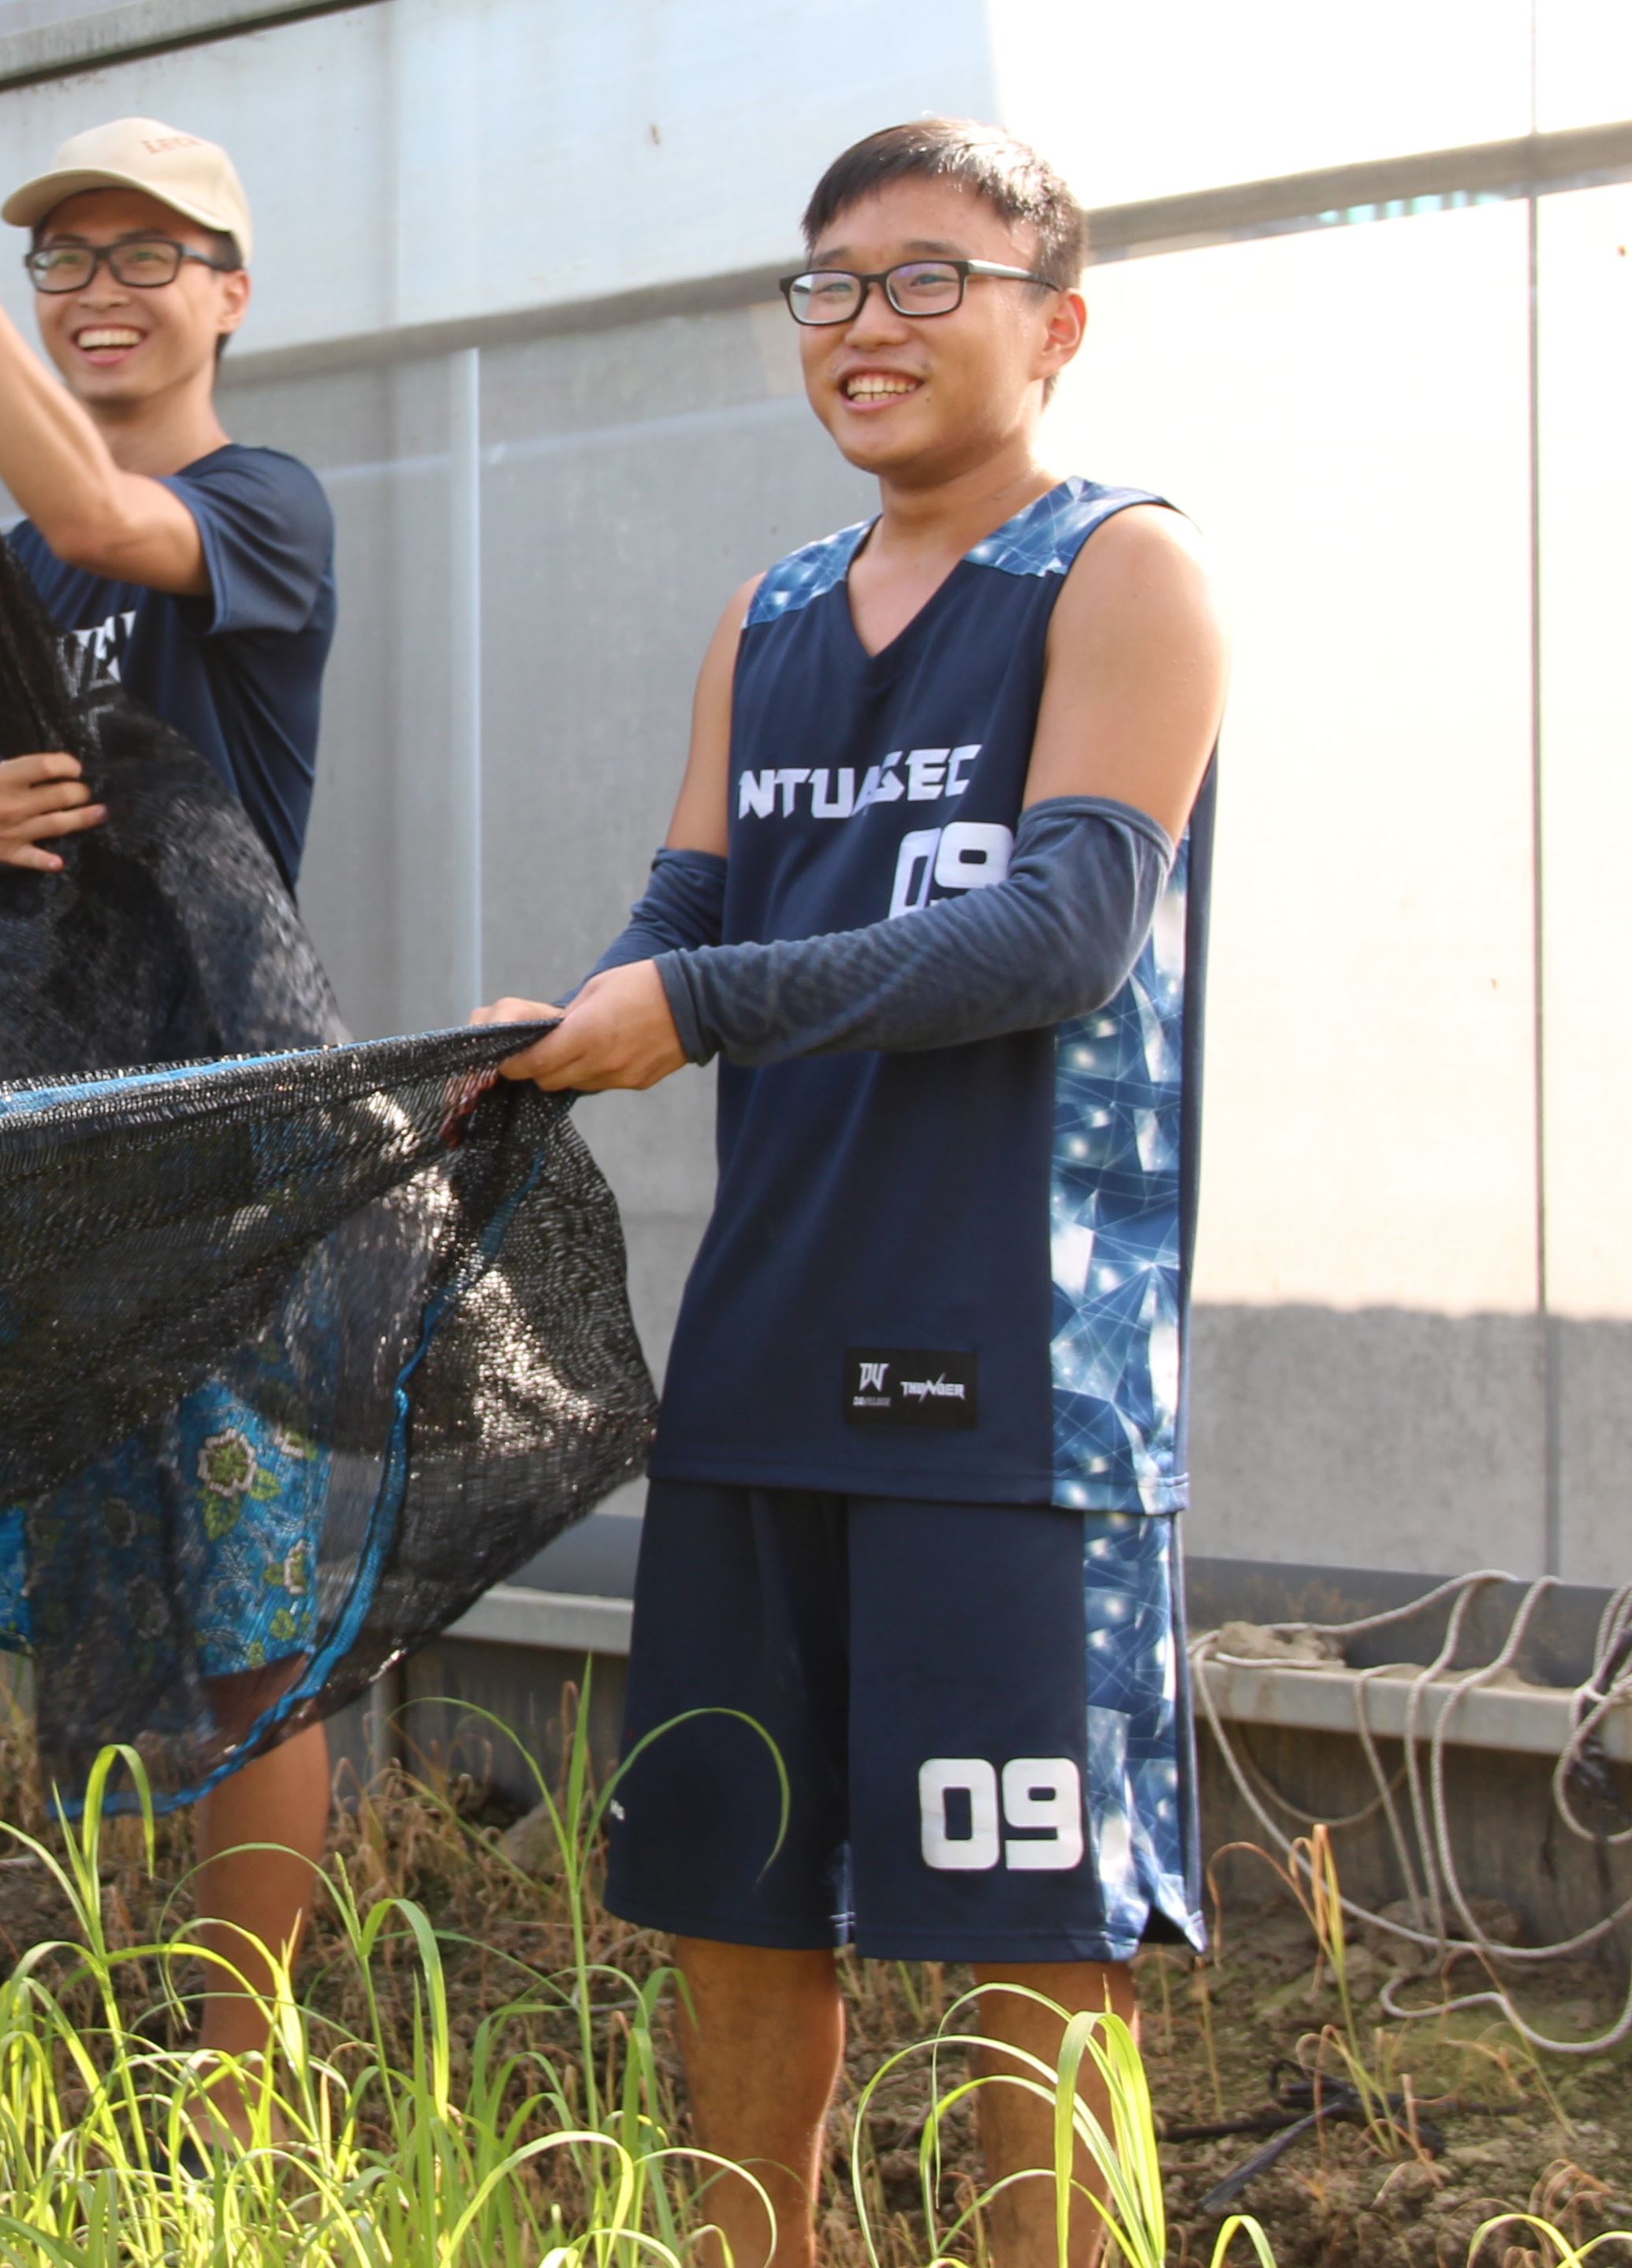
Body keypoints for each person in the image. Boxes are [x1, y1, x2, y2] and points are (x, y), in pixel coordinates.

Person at [474, 118, 1226, 2268]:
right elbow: (686, 905)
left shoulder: (1126, 570)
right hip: (766, 1366)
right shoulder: (771, 613)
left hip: (1017, 1397)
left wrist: (687, 1007)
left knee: (1029, 1951)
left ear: (1053, 326)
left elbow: (1059, 937)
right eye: (831, 285)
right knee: (733, 1903)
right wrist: (563, 1021)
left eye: (928, 279)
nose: (867, 324)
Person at [0, 108, 341, 2117]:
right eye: (65, 262)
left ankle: (234, 2105)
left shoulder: (261, 510)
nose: (102, 291)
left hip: (198, 1171)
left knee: (242, 1628)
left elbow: (111, 524)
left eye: (145, 257)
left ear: (230, 296)